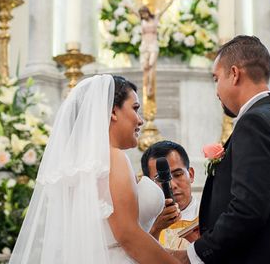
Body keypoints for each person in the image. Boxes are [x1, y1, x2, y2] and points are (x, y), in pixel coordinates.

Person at [174, 35, 270, 264]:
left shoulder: (255, 123)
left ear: (234, 74)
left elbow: (248, 209)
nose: (216, 91)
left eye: (216, 78)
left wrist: (195, 254)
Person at [9, 75, 179, 264]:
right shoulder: (111, 157)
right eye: (135, 109)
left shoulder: (77, 167)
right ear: (113, 111)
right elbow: (128, 235)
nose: (140, 121)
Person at [141, 140, 200, 250]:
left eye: (178, 174)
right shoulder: (141, 224)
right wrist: (155, 229)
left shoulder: (211, 215)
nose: (172, 185)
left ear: (191, 174)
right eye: (160, 179)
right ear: (149, 185)